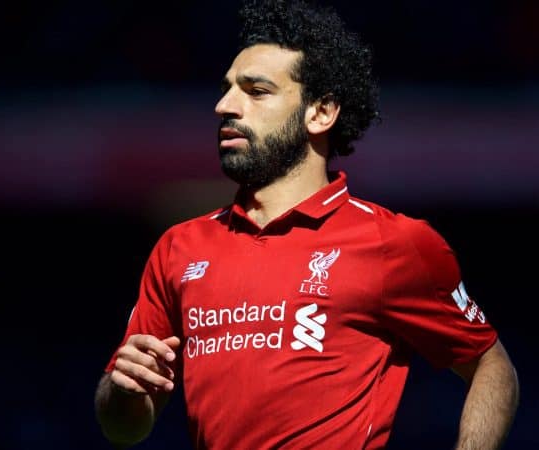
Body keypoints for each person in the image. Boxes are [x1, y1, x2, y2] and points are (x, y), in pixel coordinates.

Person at [94, 1, 520, 448]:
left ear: (321, 112)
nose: (224, 106)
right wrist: (122, 392)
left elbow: (492, 368)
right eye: (226, 89)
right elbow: (124, 428)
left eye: (255, 91)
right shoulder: (179, 246)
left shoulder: (394, 241)